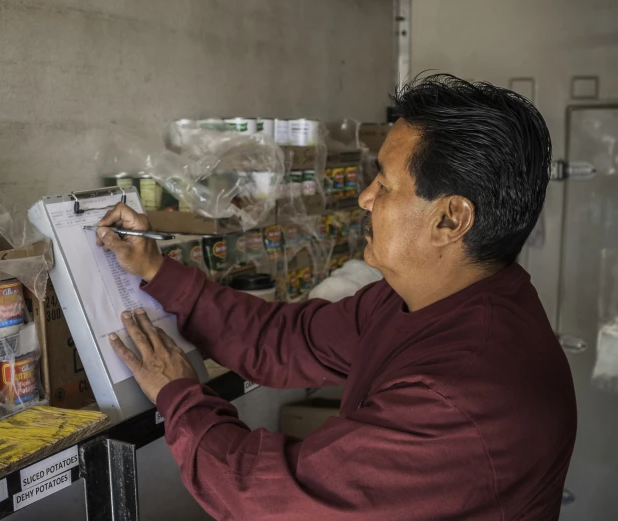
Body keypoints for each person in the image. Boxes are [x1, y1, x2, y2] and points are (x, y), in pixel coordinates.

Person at [96, 74, 577, 521]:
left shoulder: (461, 394)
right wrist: (156, 269)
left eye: (385, 185)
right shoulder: (424, 300)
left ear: (450, 219)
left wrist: (179, 394)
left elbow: (269, 500)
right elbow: (283, 339)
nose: (365, 197)